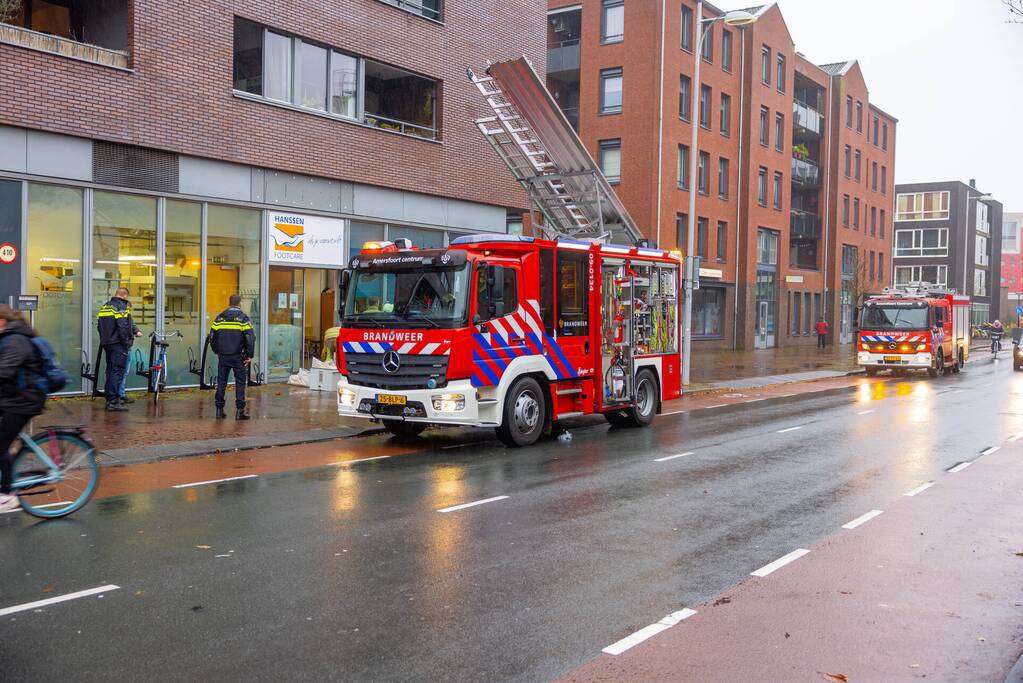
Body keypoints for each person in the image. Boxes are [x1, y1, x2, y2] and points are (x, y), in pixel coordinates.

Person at [0, 306, 48, 512]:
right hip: (11, 397)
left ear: (2, 321)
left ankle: (7, 495)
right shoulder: (9, 337)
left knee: (1, 444)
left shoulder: (16, 340)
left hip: (24, 401)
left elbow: (4, 371)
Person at [210, 294, 255, 420]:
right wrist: (249, 355)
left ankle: (219, 411)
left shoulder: (219, 318)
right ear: (239, 303)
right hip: (238, 356)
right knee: (240, 383)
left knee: (221, 382)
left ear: (230, 303)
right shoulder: (243, 318)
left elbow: (212, 336)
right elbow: (250, 338)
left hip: (223, 356)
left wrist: (216, 351)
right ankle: (240, 412)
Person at [97, 287, 136, 412]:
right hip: (118, 344)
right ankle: (113, 402)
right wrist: (127, 342)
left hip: (107, 343)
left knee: (110, 371)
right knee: (117, 372)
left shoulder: (105, 307)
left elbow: (99, 326)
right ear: (124, 295)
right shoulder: (121, 307)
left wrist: (105, 339)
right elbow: (123, 326)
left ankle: (109, 399)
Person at [117, 300, 142, 404]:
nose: (129, 311)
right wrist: (132, 335)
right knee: (122, 372)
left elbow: (132, 324)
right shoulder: (121, 315)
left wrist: (137, 331)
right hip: (123, 347)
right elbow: (124, 329)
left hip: (122, 347)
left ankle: (118, 394)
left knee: (119, 372)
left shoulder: (125, 315)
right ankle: (120, 395)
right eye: (128, 309)